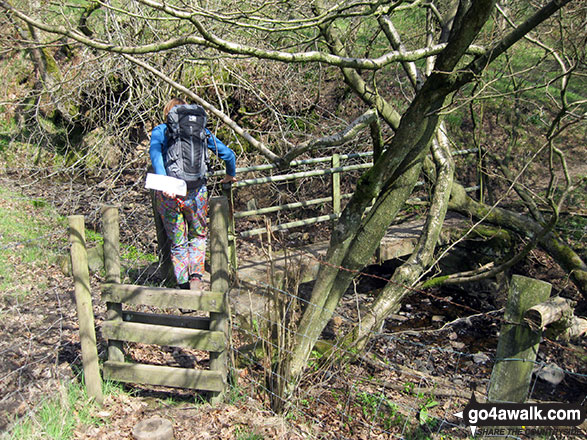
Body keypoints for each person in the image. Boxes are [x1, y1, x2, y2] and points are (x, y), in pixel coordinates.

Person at [150, 98, 236, 290]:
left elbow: (155, 156)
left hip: (169, 196)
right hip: (196, 193)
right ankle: (196, 278)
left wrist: (165, 183)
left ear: (168, 114)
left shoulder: (161, 131)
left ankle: (183, 285)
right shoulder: (201, 131)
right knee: (197, 236)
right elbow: (229, 155)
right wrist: (230, 174)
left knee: (178, 242)